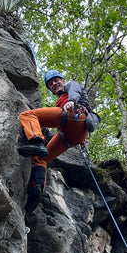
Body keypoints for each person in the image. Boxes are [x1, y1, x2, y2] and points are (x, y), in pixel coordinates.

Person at [17, 69, 95, 212]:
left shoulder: (72, 86)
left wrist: (71, 101)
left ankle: (36, 142)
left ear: (63, 80)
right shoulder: (60, 100)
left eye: (57, 80)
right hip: (74, 134)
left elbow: (75, 92)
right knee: (41, 158)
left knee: (27, 115)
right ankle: (37, 187)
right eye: (50, 84)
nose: (54, 84)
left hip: (74, 114)